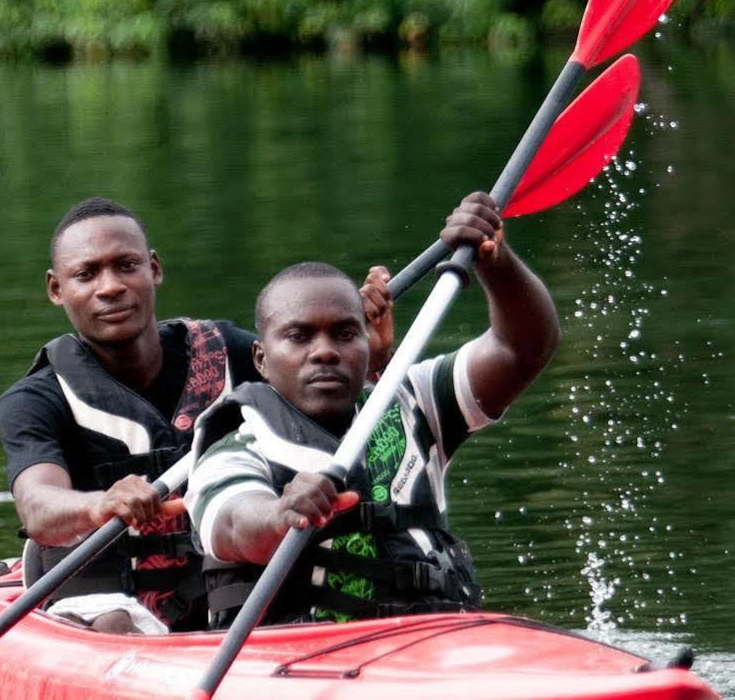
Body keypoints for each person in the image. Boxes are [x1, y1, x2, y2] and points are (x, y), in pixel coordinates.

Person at [0, 197, 390, 633]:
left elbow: (332, 407)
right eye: (86, 274)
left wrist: (366, 354)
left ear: (154, 269)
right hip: (104, 595)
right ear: (56, 289)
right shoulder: (34, 399)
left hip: (228, 582)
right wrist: (100, 504)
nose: (109, 287)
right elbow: (37, 504)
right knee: (114, 622)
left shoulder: (233, 353)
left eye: (126, 266)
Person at [187, 192, 560, 628]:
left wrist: (495, 263)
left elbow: (525, 348)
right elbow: (234, 525)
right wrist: (279, 515)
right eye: (299, 336)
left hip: (434, 643)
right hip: (298, 664)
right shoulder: (235, 447)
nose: (325, 351)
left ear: (369, 345)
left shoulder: (415, 402)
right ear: (261, 359)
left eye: (345, 333)